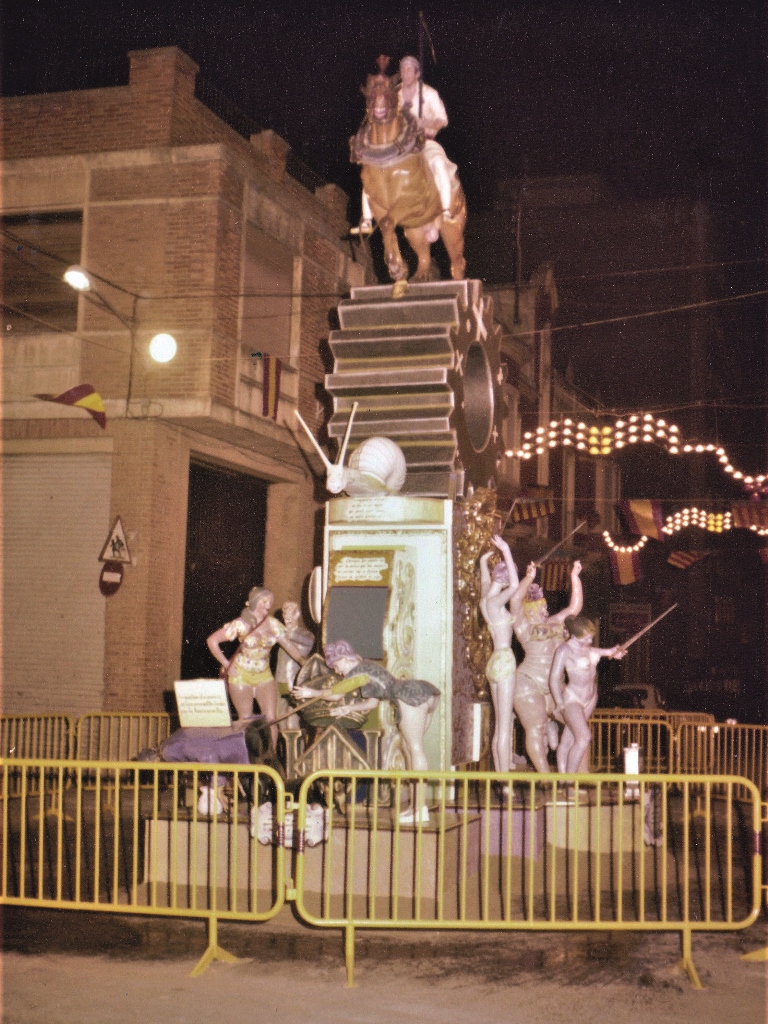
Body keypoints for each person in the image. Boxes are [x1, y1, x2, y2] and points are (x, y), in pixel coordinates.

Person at [359, 54, 457, 232]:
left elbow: (443, 120)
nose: (405, 73)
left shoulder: (429, 93)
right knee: (372, 171)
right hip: (400, 144)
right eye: (402, 69)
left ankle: (446, 209)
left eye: (409, 69)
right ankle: (366, 219)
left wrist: (425, 122)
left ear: (417, 73)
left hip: (425, 141)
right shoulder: (395, 93)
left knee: (439, 165)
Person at [206, 586, 308, 750]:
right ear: (255, 602)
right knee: (245, 720)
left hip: (263, 675)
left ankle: (271, 759)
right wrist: (226, 665)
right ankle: (244, 759)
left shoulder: (273, 624)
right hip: (241, 675)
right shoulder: (240, 624)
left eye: (270, 601)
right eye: (264, 601)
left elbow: (288, 646)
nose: (268, 604)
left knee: (271, 720)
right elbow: (212, 641)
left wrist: (304, 661)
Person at [512, 560, 584, 773]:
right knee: (535, 727)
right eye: (540, 608)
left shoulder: (556, 621)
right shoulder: (523, 626)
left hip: (556, 687)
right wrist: (528, 578)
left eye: (545, 607)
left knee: (577, 726)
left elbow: (574, 608)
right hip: (529, 683)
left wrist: (575, 578)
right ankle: (545, 776)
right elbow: (515, 599)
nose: (545, 610)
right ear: (530, 611)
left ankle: (572, 773)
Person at [478, 536, 531, 775]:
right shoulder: (496, 603)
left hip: (494, 662)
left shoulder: (485, 600)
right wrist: (506, 550)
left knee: (502, 722)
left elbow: (485, 580)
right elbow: (513, 587)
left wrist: (483, 562)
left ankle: (502, 770)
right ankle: (503, 777)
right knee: (504, 724)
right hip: (504, 660)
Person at [548, 615, 626, 774]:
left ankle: (563, 782)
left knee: (568, 740)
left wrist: (614, 652)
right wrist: (559, 703)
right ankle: (569, 781)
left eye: (591, 637)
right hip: (572, 700)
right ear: (575, 635)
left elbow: (606, 651)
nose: (590, 641)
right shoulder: (565, 650)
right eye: (587, 638)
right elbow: (554, 679)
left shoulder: (586, 648)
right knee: (584, 738)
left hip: (590, 699)